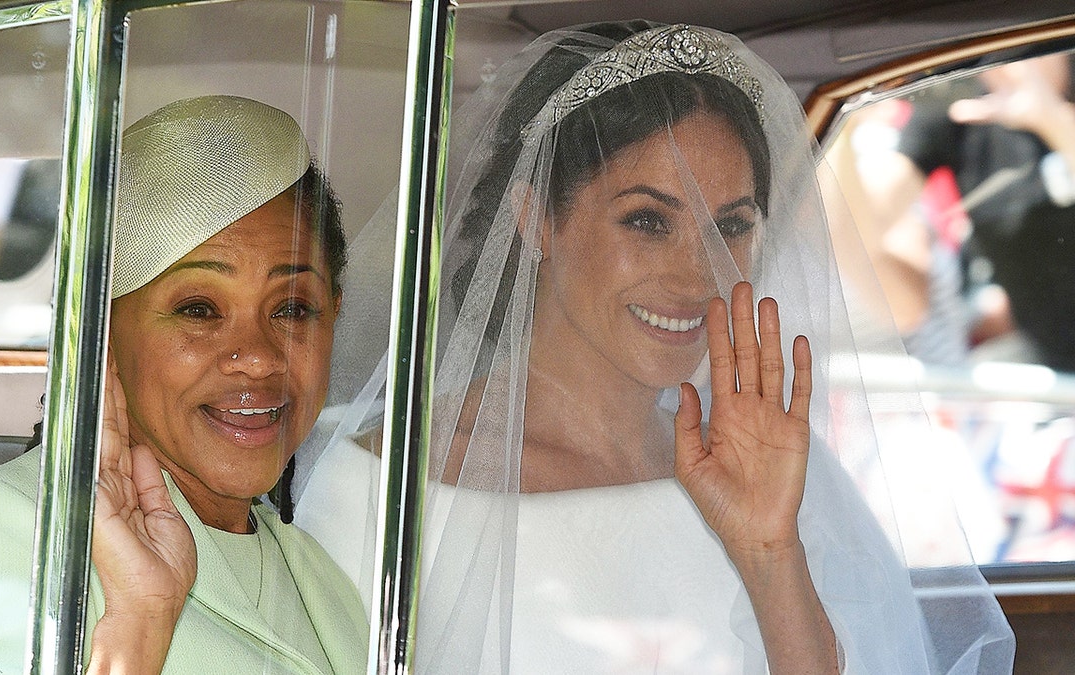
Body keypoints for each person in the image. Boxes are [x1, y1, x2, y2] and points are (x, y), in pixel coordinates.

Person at [294, 22, 1015, 673]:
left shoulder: (768, 473)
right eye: (647, 221)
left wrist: (770, 555)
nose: (698, 274)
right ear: (536, 217)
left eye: (730, 224)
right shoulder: (377, 497)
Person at [0, 96, 367, 673]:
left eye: (293, 308)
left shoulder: (324, 579)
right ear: (100, 334)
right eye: (199, 310)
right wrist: (139, 624)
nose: (260, 359)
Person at [835, 52, 1075, 370]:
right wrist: (841, 130)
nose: (1013, 63)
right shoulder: (962, 112)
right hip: (1055, 372)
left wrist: (1052, 119)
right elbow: (869, 216)